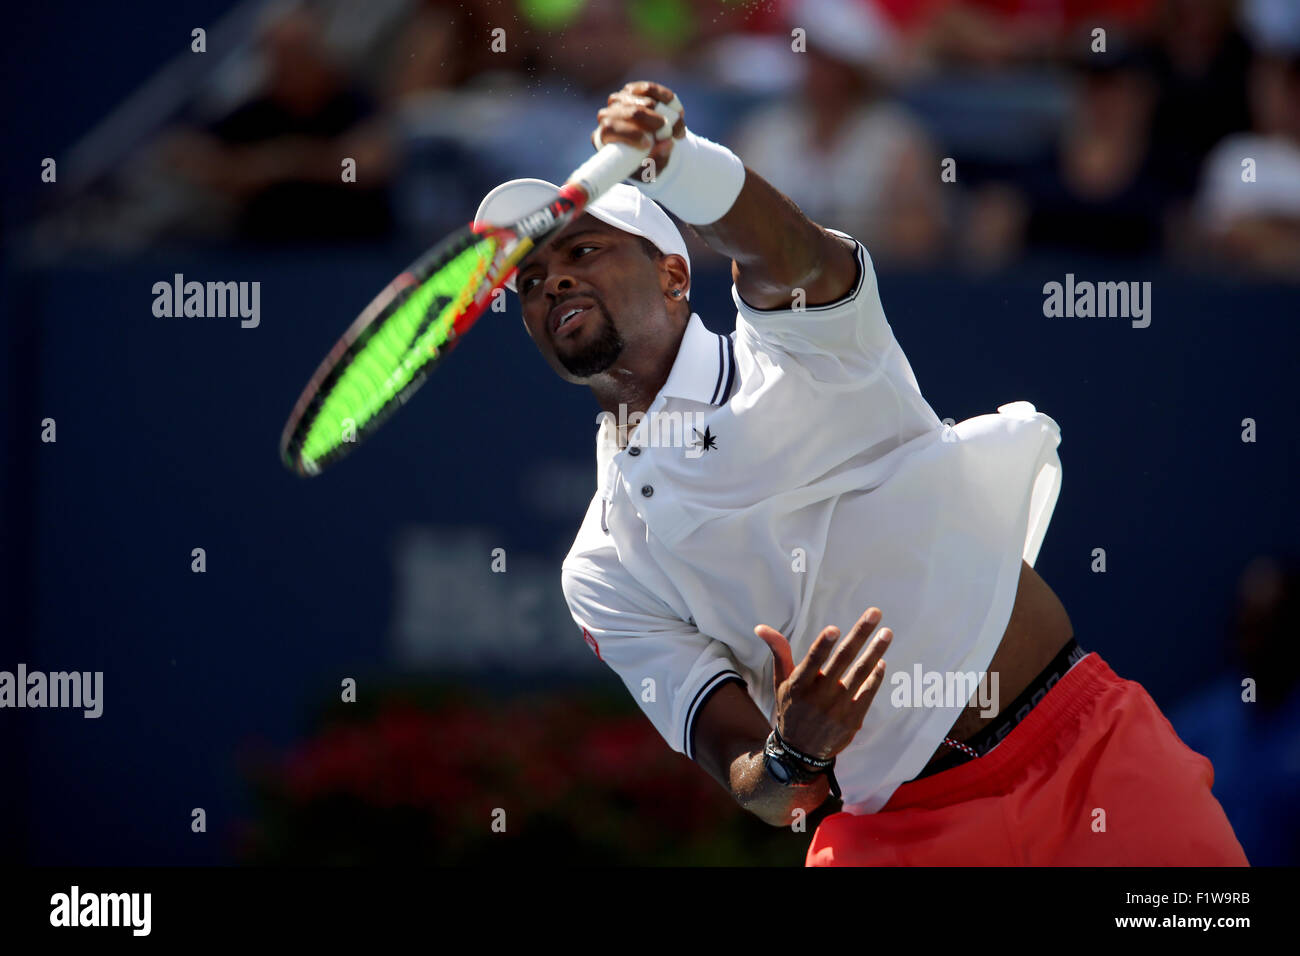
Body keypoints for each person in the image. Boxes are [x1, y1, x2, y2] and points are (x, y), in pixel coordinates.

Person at [474, 80, 1248, 866]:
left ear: (675, 276)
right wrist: (794, 754)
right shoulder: (599, 569)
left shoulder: (799, 347)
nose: (554, 283)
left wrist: (682, 167)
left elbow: (788, 251)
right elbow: (762, 786)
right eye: (531, 282)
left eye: (582, 249)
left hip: (1091, 759)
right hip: (895, 836)